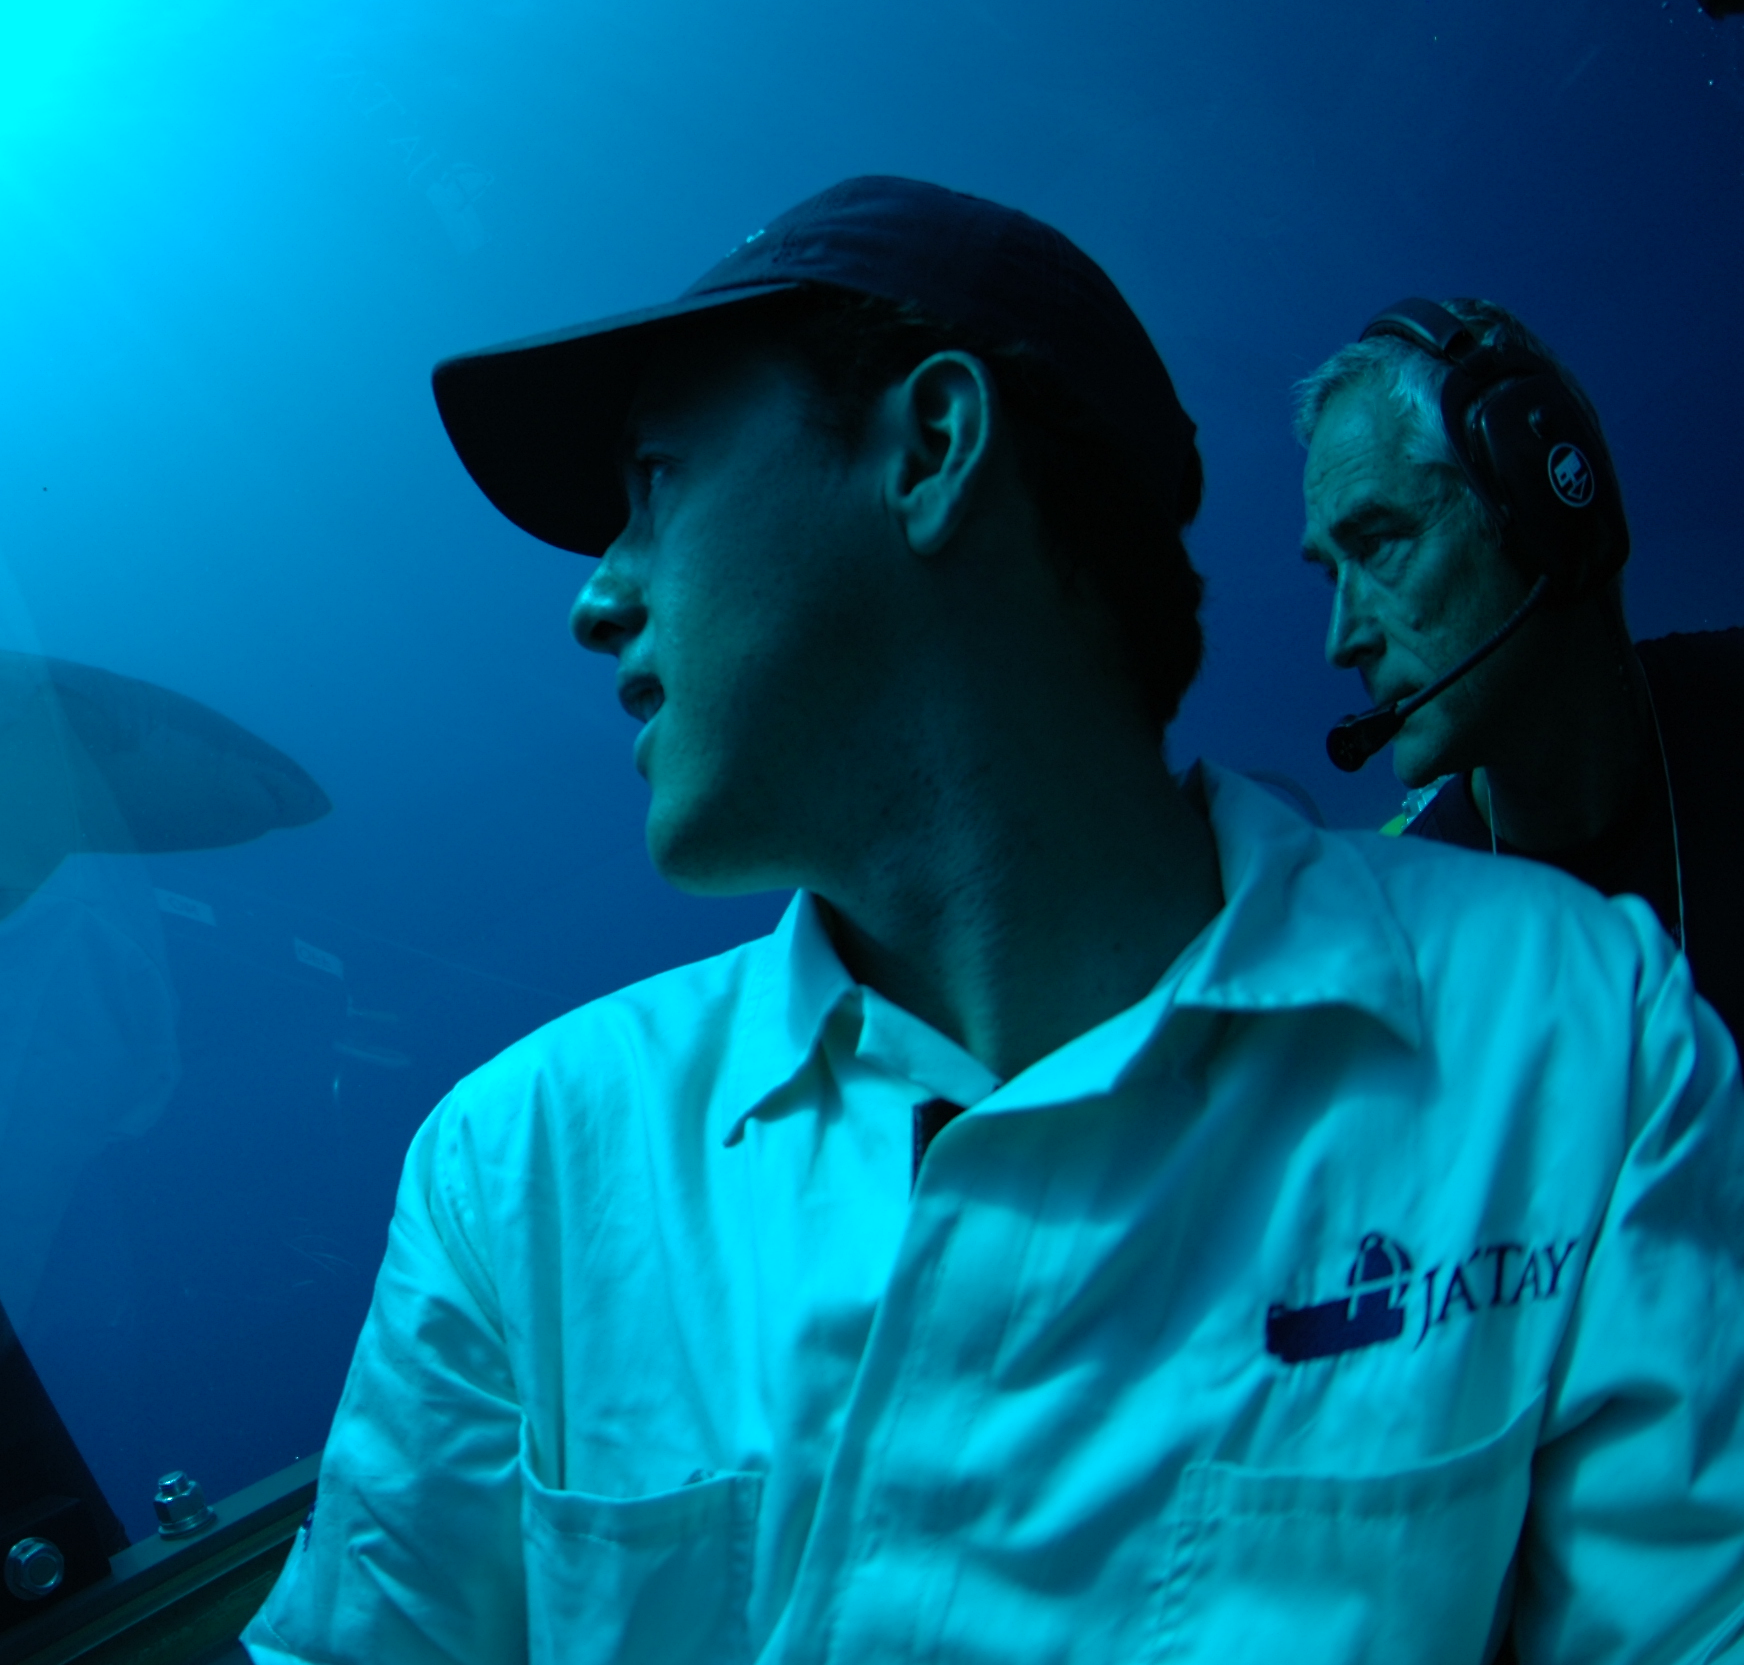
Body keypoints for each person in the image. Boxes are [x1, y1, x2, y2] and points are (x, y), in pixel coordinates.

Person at [240, 177, 1744, 1664]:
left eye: (656, 482)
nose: (596, 597)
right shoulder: (513, 1176)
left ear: (932, 450)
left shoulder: (1576, 1039)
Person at [1294, 297, 1741, 1027]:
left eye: (1378, 543)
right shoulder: (1400, 944)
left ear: (1541, 500)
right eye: (1329, 573)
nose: (1341, 640)